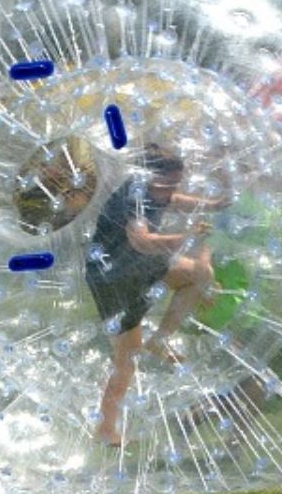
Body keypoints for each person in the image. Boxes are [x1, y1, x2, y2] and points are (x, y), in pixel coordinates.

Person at [86, 145, 231, 446]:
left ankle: (161, 338)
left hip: (137, 266)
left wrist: (220, 200)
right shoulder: (134, 197)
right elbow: (140, 241)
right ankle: (105, 430)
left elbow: (180, 200)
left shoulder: (158, 192)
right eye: (168, 182)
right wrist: (187, 237)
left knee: (201, 274)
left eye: (177, 182)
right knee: (126, 361)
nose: (173, 190)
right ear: (148, 176)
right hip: (113, 276)